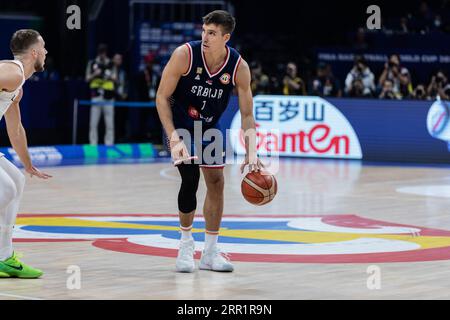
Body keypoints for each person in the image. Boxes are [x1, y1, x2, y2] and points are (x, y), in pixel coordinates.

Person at [156, 10, 263, 273]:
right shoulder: (185, 55)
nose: (205, 37)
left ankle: (210, 252)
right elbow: (161, 97)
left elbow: (248, 114)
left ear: (225, 37)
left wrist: (251, 152)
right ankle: (185, 246)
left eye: (212, 33)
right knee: (190, 178)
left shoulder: (239, 67)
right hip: (179, 124)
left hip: (209, 128)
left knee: (216, 182)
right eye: (204, 31)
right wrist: (173, 136)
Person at [0, 29, 52, 278]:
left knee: (17, 180)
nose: (46, 52)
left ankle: (4, 257)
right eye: (43, 48)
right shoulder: (12, 72)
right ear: (34, 52)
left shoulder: (16, 85)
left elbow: (15, 128)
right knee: (6, 189)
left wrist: (28, 164)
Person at [85, 44, 116, 146]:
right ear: (98, 52)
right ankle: (93, 143)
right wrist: (95, 74)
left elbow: (115, 78)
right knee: (93, 123)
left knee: (109, 123)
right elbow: (87, 78)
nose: (102, 54)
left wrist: (109, 75)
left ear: (106, 52)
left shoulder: (111, 63)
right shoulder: (92, 63)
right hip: (96, 96)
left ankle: (109, 144)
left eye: (103, 52)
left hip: (108, 97)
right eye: (100, 52)